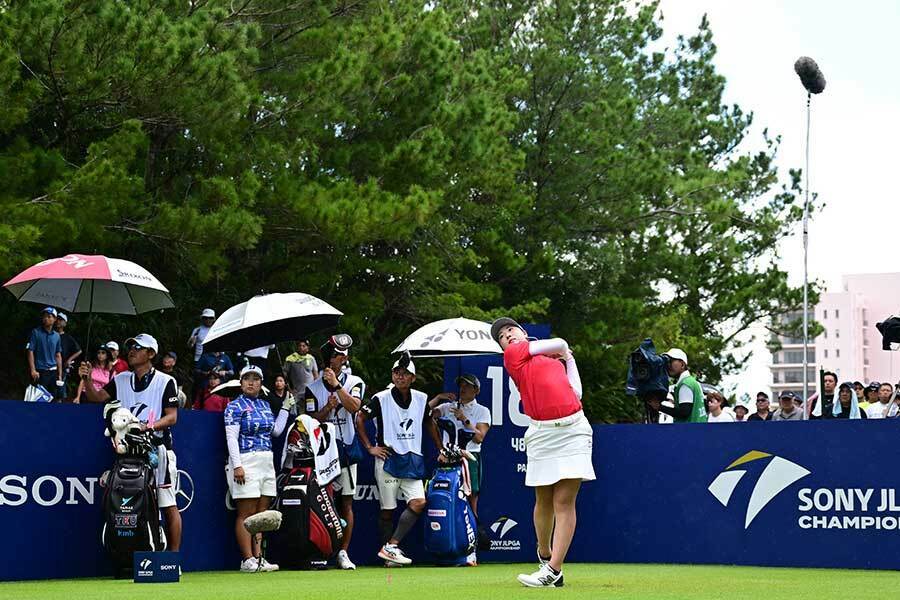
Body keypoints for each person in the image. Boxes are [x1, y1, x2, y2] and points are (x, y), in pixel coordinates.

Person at [491, 318, 593, 588]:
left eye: (511, 330)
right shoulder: (513, 357)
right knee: (544, 499)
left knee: (563, 501)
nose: (508, 335)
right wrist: (564, 350)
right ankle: (545, 552)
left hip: (574, 430)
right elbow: (560, 343)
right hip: (542, 433)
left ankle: (553, 569)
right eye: (502, 336)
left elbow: (577, 392)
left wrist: (568, 360)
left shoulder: (553, 362)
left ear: (524, 333)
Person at [79, 334, 183, 554]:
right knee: (132, 507)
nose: (132, 350)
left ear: (151, 354)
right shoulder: (121, 379)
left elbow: (172, 417)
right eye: (131, 347)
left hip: (158, 451)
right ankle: (133, 556)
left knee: (167, 503)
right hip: (127, 454)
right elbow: (96, 398)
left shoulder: (166, 381)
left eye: (138, 347)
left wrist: (147, 426)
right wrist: (87, 379)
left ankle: (172, 560)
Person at [356, 356, 440, 567]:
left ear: (412, 377)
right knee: (387, 509)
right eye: (396, 373)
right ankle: (389, 555)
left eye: (404, 373)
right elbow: (360, 418)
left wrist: (440, 449)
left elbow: (429, 422)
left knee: (418, 503)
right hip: (388, 460)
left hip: (412, 460)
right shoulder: (381, 398)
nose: (400, 376)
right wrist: (369, 448)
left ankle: (391, 546)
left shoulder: (421, 398)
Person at [304, 338, 366, 570]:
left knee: (347, 503)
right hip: (323, 454)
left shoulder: (354, 381)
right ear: (330, 358)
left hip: (348, 449)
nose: (345, 358)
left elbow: (354, 407)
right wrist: (328, 408)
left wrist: (338, 388)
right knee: (324, 503)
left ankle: (343, 552)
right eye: (340, 355)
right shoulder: (313, 388)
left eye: (345, 355)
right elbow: (310, 420)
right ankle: (324, 549)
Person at [224, 365, 294, 573]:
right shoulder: (234, 406)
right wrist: (237, 465)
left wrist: (285, 408)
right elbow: (231, 438)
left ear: (261, 383)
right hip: (246, 459)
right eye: (247, 379)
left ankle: (259, 557)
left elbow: (276, 431)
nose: (251, 382)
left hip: (266, 460)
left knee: (261, 513)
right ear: (241, 382)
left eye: (255, 379)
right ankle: (247, 560)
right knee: (245, 513)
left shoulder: (264, 405)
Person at [429, 374, 491, 515]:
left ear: (476, 390)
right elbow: (424, 415)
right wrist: (438, 397)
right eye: (461, 385)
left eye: (467, 386)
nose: (463, 388)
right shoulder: (447, 407)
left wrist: (464, 419)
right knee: (446, 496)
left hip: (469, 458)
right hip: (447, 457)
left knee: (470, 498)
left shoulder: (482, 411)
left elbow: (479, 438)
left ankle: (472, 534)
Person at [25, 307, 64, 401]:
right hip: (40, 371)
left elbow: (58, 354)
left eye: (49, 316)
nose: (46, 318)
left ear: (54, 319)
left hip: (53, 371)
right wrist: (33, 370)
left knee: (53, 398)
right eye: (45, 316)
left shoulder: (57, 336)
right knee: (39, 399)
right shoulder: (36, 332)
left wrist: (60, 374)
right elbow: (30, 351)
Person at [658, 349, 706, 423]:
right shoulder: (691, 381)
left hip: (690, 431)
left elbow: (684, 412)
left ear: (682, 365)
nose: (668, 365)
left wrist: (659, 407)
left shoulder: (685, 384)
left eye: (671, 361)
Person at [54, 313, 82, 400]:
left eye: (61, 320)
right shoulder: (51, 335)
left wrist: (69, 360)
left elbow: (79, 350)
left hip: (62, 367)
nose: (58, 321)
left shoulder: (67, 338)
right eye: (57, 319)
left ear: (65, 323)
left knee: (60, 391)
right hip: (50, 366)